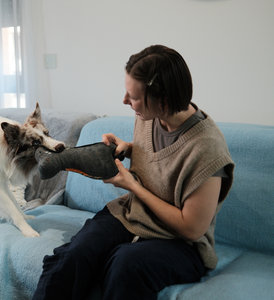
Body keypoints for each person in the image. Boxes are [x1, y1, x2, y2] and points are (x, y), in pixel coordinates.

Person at [32, 45, 235, 300]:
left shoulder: (208, 150)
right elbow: (160, 158)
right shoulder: (149, 114)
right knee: (73, 257)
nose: (125, 101)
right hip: (133, 213)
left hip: (182, 244)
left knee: (125, 265)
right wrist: (127, 149)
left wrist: (133, 186)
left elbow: (191, 228)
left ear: (163, 100)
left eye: (133, 96)